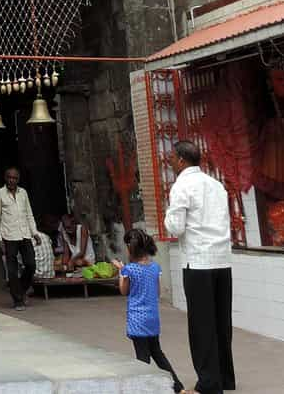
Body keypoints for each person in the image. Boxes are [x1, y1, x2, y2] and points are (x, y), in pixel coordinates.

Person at [165, 140, 235, 394]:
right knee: (220, 321)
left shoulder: (181, 186)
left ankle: (208, 383)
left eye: (171, 157)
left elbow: (176, 227)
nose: (169, 161)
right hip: (221, 258)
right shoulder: (215, 185)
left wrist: (167, 214)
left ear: (182, 159)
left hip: (198, 261)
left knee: (201, 325)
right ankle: (225, 377)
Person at [112, 229, 188, 394]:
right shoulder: (155, 268)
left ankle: (142, 389)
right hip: (152, 318)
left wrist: (121, 271)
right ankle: (178, 387)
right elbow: (158, 291)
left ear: (131, 249)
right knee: (158, 353)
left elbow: (124, 291)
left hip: (137, 320)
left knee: (142, 359)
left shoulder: (129, 270)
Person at [0, 166, 37, 311]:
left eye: (15, 178)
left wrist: (35, 232)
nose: (12, 180)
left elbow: (29, 213)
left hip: (24, 234)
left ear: (18, 179)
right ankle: (17, 300)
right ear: (5, 178)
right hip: (9, 236)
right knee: (11, 271)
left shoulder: (23, 193)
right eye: (9, 177)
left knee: (31, 264)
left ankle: (21, 290)